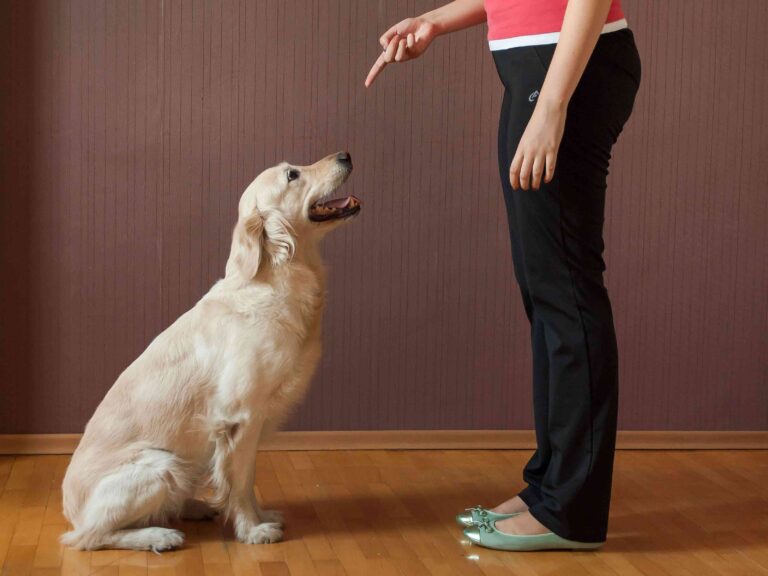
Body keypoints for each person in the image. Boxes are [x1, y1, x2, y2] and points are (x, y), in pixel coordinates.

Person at [366, 0, 641, 552]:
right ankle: (550, 487)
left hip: (565, 71)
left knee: (566, 291)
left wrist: (553, 106)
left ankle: (571, 511)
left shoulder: (559, 91)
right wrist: (437, 21)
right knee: (545, 291)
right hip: (538, 69)